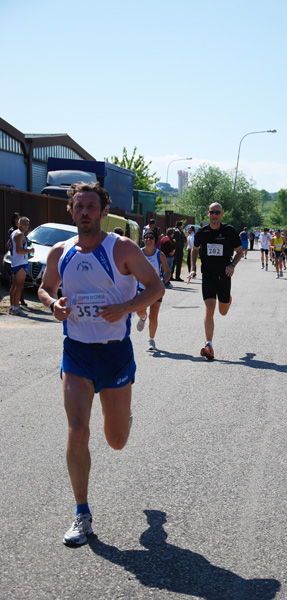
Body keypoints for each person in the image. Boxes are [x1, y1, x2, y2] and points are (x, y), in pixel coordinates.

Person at [38, 181, 164, 546]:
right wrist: (52, 304)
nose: (85, 212)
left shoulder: (121, 247)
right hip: (76, 352)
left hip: (115, 353)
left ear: (103, 212)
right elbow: (46, 287)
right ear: (72, 211)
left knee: (117, 440)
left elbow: (156, 287)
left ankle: (123, 416)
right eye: (79, 206)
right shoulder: (60, 251)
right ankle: (82, 513)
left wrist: (124, 309)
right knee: (78, 430)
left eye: (92, 206)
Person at [188, 202, 242, 360]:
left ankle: (228, 300)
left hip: (224, 275)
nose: (214, 215)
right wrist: (193, 268)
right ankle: (209, 345)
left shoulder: (229, 231)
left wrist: (232, 265)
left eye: (217, 212)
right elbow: (194, 249)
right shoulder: (202, 232)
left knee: (223, 312)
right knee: (209, 309)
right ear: (208, 213)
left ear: (221, 214)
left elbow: (239, 251)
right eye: (212, 212)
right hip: (208, 275)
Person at [136, 229, 171, 351]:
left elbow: (167, 273)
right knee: (140, 311)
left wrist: (162, 283)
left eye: (151, 237)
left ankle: (151, 340)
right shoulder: (138, 253)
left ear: (155, 240)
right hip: (141, 288)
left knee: (154, 316)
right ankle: (142, 317)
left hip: (156, 289)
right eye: (146, 237)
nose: (148, 240)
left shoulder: (159, 255)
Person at [9, 216, 34, 315]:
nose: (26, 226)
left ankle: (12, 307)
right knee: (19, 287)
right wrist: (29, 250)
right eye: (24, 224)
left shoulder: (14, 233)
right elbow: (19, 250)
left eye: (27, 224)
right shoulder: (19, 235)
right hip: (20, 263)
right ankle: (16, 308)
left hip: (15, 262)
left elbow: (8, 245)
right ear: (19, 224)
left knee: (14, 286)